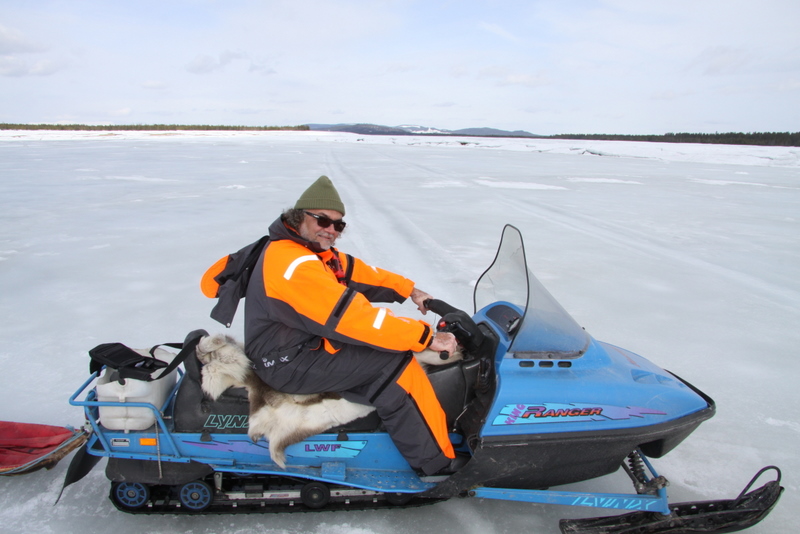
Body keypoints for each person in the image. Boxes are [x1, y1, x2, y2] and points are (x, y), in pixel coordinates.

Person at [243, 175, 463, 477]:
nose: (331, 230)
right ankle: (436, 464)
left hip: (298, 347)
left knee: (382, 348)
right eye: (322, 220)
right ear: (298, 217)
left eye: (338, 225)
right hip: (287, 363)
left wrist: (409, 290)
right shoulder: (293, 265)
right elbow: (352, 317)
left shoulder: (307, 251)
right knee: (393, 365)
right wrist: (426, 337)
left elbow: (356, 271)